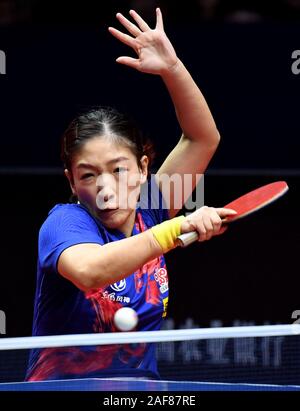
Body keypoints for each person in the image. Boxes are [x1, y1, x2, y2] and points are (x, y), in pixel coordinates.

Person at [26, 8, 236, 381]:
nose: (105, 189)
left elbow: (202, 138)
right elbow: (91, 271)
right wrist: (180, 227)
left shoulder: (151, 207)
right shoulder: (65, 223)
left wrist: (172, 69)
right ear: (72, 182)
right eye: (88, 176)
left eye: (118, 170)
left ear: (142, 169)